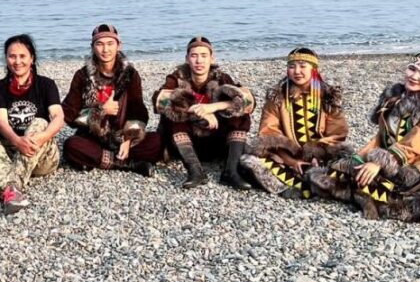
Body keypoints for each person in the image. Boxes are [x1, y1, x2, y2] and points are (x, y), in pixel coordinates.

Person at [307, 53, 420, 222]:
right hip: (391, 160)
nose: (414, 76)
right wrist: (357, 160)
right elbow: (380, 138)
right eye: (412, 69)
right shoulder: (394, 99)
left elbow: (417, 141)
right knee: (344, 171)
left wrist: (381, 162)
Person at [241, 47, 349, 198]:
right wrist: (291, 161)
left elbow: (337, 134)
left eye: (303, 66)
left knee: (349, 165)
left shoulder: (328, 97)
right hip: (285, 159)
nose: (297, 71)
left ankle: (312, 181)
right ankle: (297, 186)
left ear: (314, 69)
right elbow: (268, 133)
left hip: (322, 158)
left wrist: (317, 154)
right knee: (250, 161)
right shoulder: (277, 97)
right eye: (292, 66)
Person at [151, 36, 257, 188]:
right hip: (186, 144)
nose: (199, 61)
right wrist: (198, 111)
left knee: (240, 116)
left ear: (212, 58)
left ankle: (230, 172)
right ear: (187, 59)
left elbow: (248, 102)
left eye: (204, 56)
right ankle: (195, 171)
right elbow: (159, 101)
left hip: (215, 141)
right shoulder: (177, 78)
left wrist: (214, 107)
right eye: (194, 56)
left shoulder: (222, 78)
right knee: (171, 117)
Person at [62, 24, 161, 174]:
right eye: (99, 44)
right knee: (71, 145)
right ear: (92, 47)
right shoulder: (82, 76)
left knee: (156, 141)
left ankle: (102, 160)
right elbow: (70, 114)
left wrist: (128, 139)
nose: (105, 49)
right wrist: (100, 111)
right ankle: (128, 165)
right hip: (93, 137)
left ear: (118, 45)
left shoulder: (130, 75)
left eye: (110, 44)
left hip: (122, 135)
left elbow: (138, 112)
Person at [0, 34, 64, 214]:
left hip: (41, 155)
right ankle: (10, 192)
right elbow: (0, 121)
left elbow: (58, 117)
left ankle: (7, 188)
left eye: (22, 56)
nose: (17, 61)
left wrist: (42, 137)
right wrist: (16, 141)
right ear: (6, 59)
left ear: (32, 58)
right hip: (11, 152)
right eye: (12, 56)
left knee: (39, 122)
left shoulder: (46, 85)